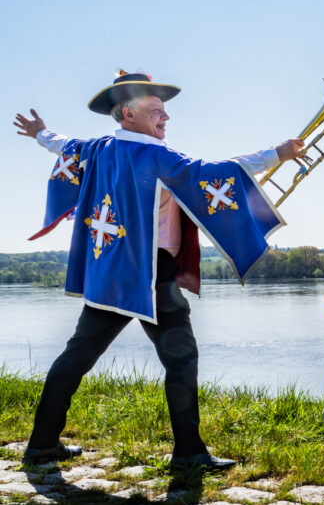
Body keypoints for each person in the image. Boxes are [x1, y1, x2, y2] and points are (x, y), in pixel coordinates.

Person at [13, 70, 303, 470]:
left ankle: (42, 444)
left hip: (108, 275)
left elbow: (61, 144)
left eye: (165, 111)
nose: (165, 117)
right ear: (128, 114)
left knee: (77, 355)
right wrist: (277, 153)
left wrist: (40, 134)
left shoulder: (93, 150)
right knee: (181, 360)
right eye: (156, 110)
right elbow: (218, 171)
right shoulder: (159, 157)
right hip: (152, 273)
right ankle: (188, 452)